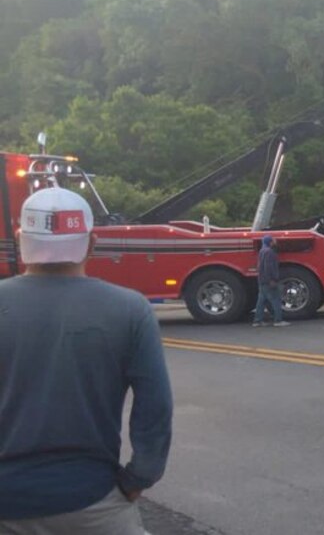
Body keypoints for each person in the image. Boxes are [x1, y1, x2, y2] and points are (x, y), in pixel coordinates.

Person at [0, 187, 173, 534]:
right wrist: (139, 477)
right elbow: (155, 406)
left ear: (20, 239)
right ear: (92, 243)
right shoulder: (129, 309)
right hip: (92, 500)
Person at [253, 234, 289, 327]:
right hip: (268, 281)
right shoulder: (270, 252)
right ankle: (278, 320)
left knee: (261, 301)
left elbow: (260, 266)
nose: (275, 242)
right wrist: (272, 279)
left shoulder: (262, 251)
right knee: (276, 300)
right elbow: (269, 267)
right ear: (270, 242)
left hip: (261, 280)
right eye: (273, 240)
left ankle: (257, 321)